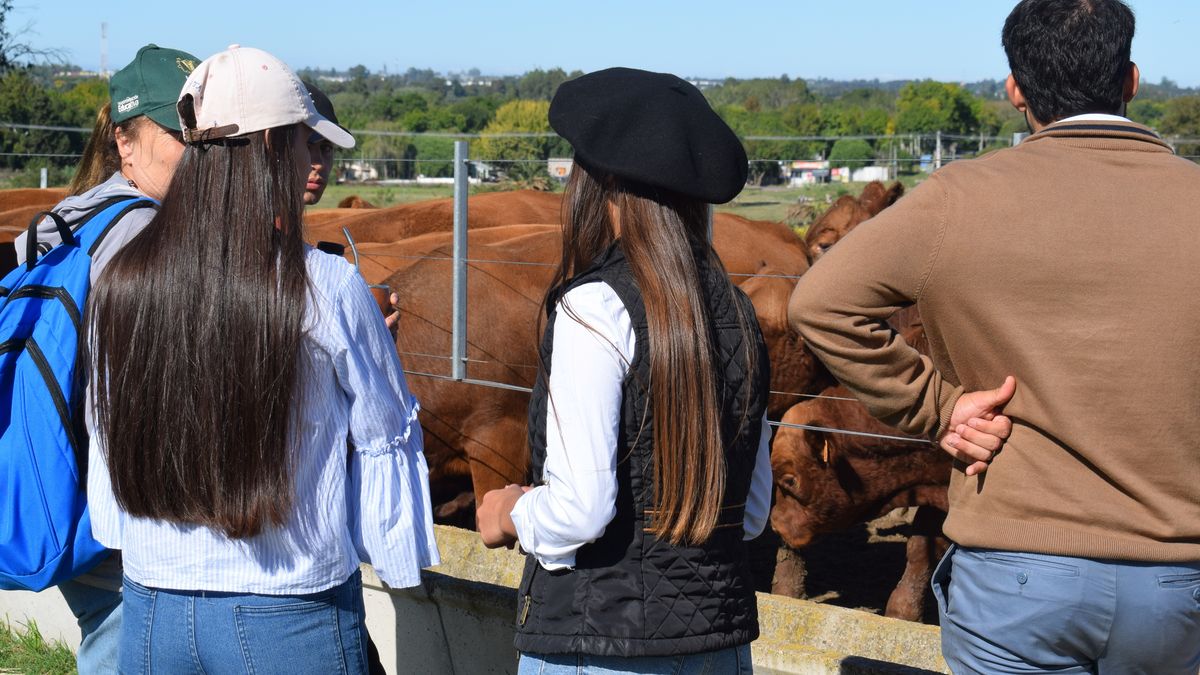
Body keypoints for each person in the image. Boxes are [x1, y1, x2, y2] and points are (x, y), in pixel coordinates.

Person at [787, 1, 1200, 672]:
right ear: (1131, 80)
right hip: (1180, 579)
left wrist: (939, 407)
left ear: (1014, 89)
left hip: (1018, 574)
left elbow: (820, 302)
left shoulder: (958, 198)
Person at [84, 45, 439, 674]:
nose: (315, 159)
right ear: (276, 144)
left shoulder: (122, 278)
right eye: (308, 142)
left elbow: (108, 433)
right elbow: (386, 437)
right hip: (289, 613)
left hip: (150, 609)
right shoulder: (326, 285)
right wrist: (395, 556)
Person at [477, 67, 772, 674]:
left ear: (602, 184)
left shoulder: (593, 306)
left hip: (601, 642)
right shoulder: (738, 312)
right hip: (721, 647)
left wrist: (511, 512)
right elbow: (752, 512)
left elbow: (581, 511)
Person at [13, 43, 199, 675]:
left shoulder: (66, 217)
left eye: (207, 132)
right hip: (119, 501)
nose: (197, 149)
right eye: (179, 133)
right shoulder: (147, 234)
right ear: (125, 141)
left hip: (57, 478)